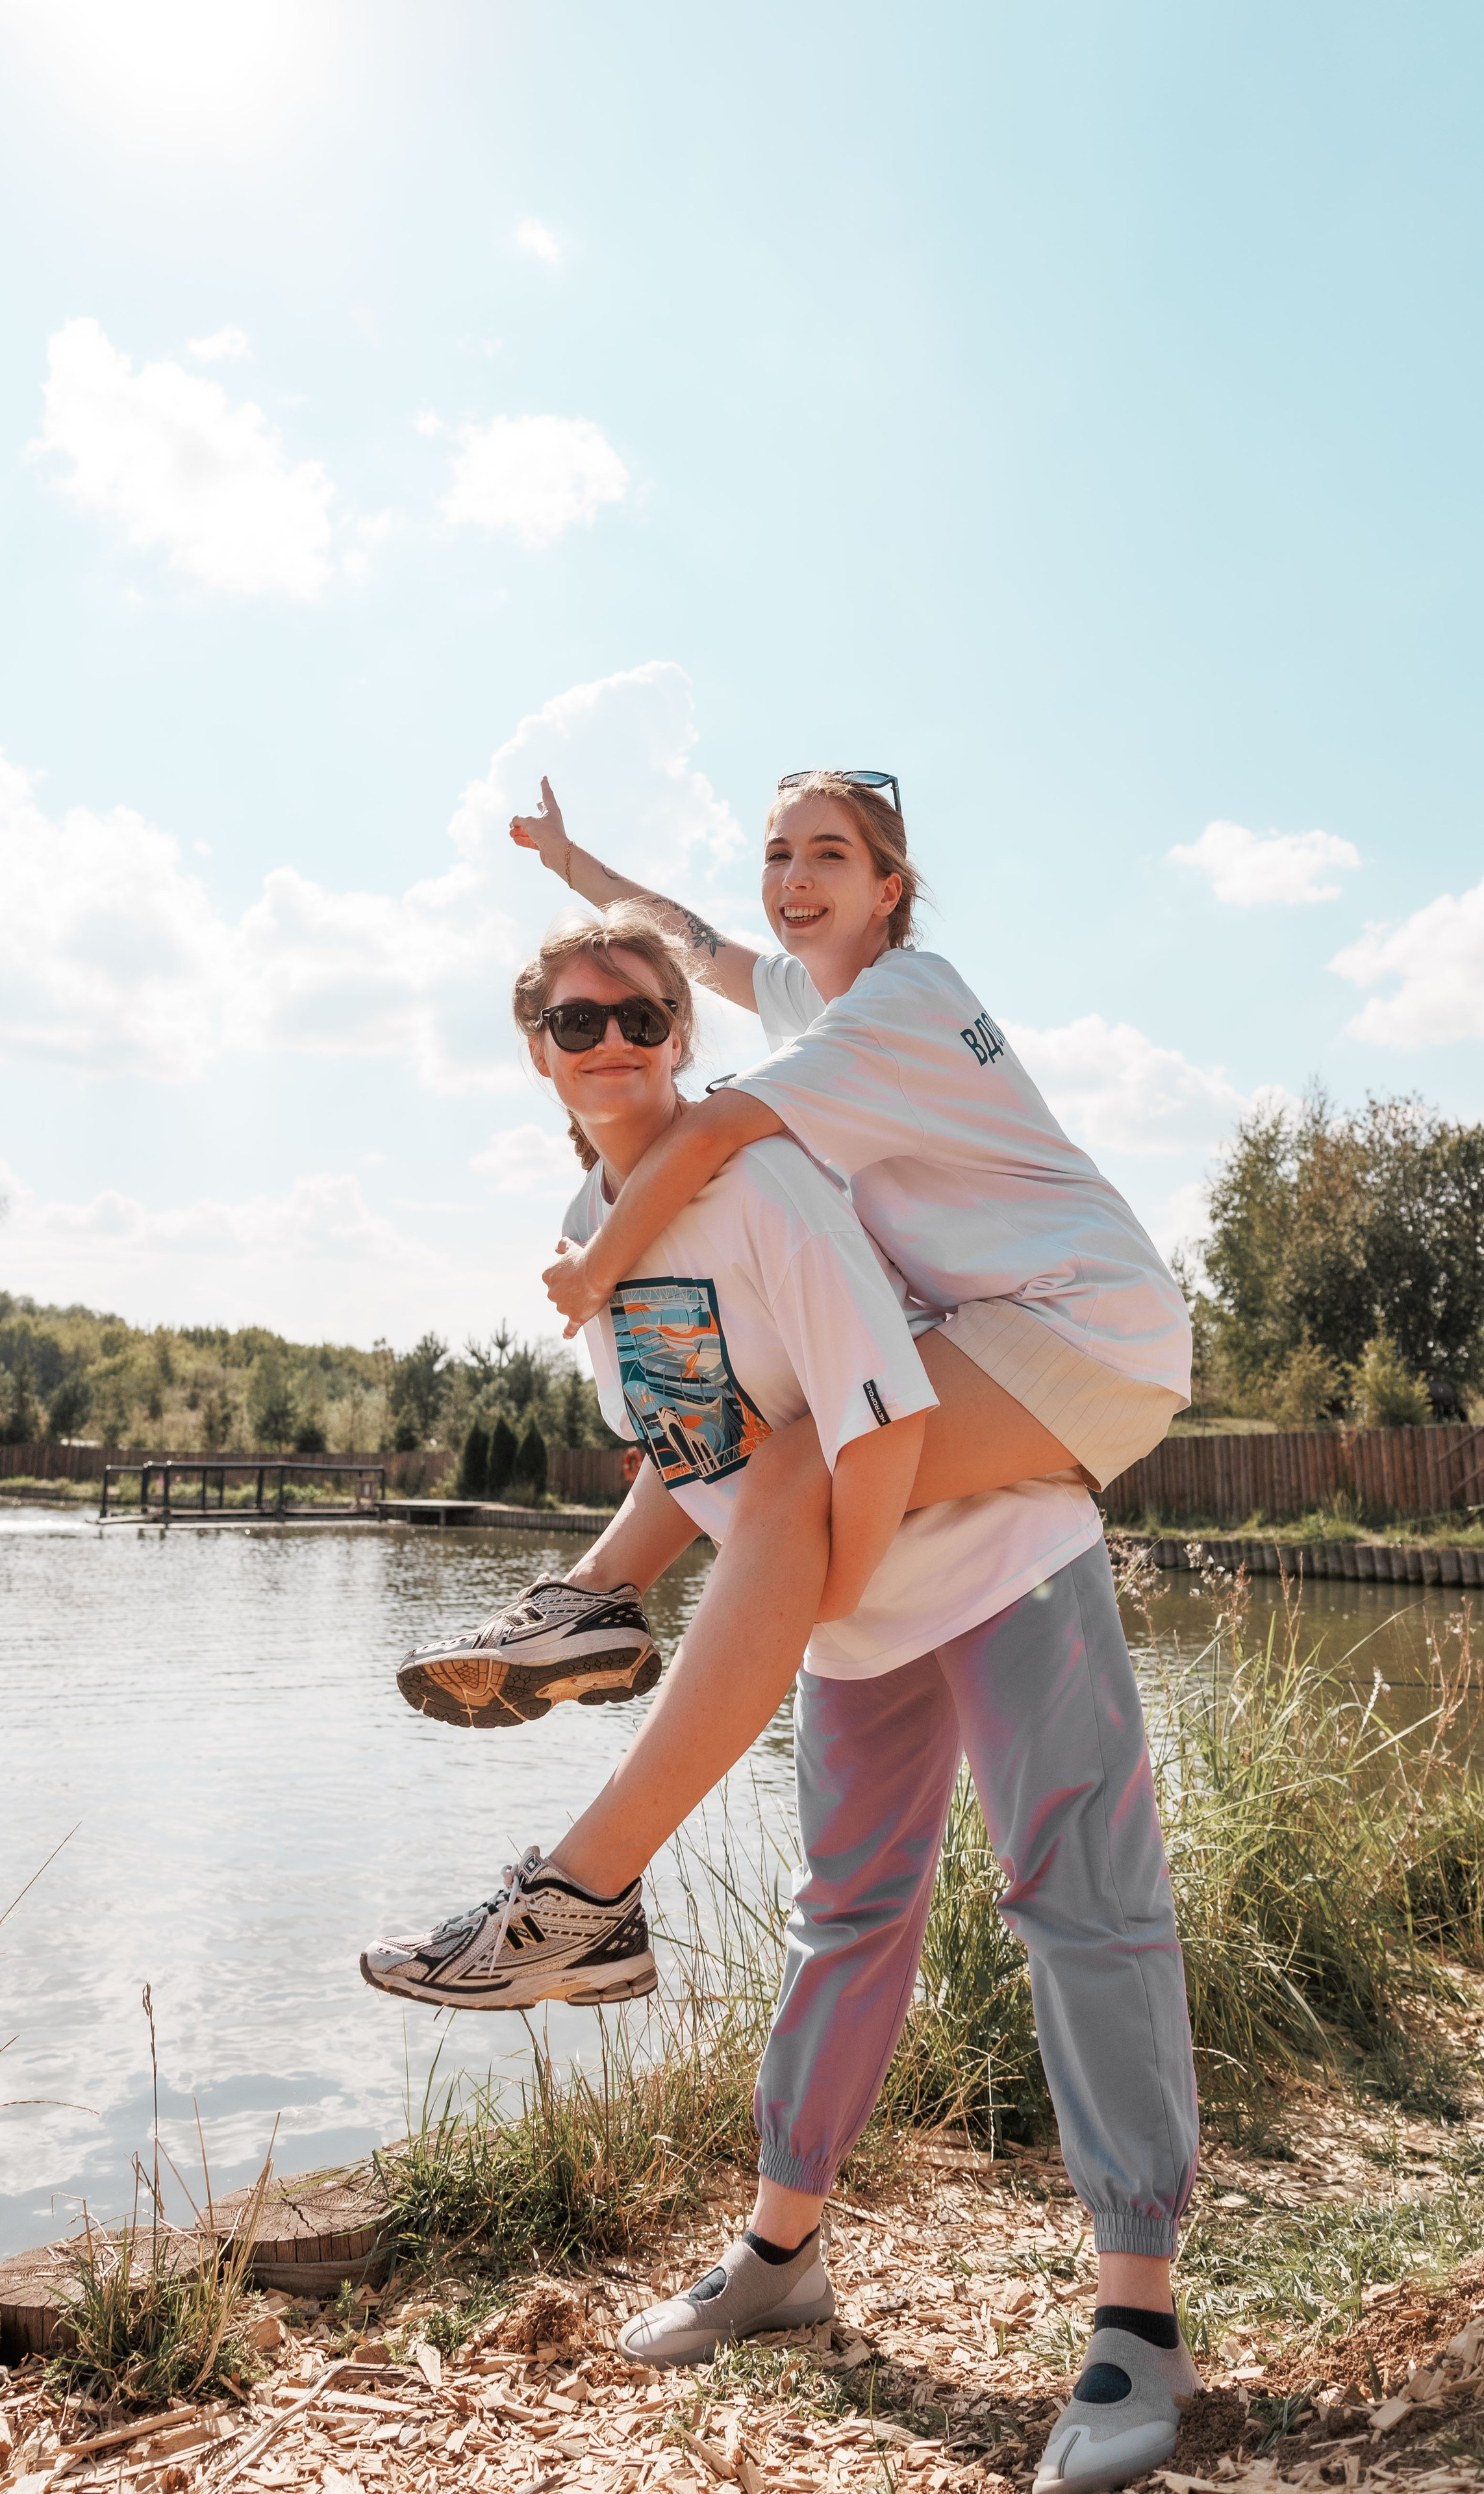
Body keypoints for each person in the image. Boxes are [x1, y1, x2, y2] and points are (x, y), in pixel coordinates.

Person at [362, 915, 1202, 2494]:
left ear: (684, 1035)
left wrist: (787, 1603)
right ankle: (778, 2255)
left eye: (637, 1017)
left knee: (1080, 1904)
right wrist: (667, 1580)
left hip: (994, 1553)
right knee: (846, 1916)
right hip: (835, 1605)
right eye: (571, 1019)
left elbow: (869, 1437)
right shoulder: (592, 1219)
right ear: (532, 1048)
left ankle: (1137, 2317)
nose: (607, 1041)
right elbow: (705, 1451)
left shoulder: (764, 1186)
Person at [390, 770, 1191, 1931]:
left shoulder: (901, 998)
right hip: (996, 1321)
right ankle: (596, 1599)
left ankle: (583, 1885)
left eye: (828, 854)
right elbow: (690, 938)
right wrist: (574, 870)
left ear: (889, 889)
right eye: (778, 855)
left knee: (799, 1471)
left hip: (1082, 1327)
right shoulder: (808, 1001)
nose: (795, 878)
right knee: (760, 1413)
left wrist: (599, 1265)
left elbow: (715, 1127)